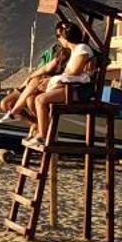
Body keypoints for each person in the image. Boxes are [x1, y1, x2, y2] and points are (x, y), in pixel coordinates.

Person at [26, 20, 98, 148]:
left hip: (77, 90)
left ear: (64, 36)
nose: (58, 39)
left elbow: (73, 73)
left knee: (40, 100)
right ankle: (44, 130)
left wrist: (51, 81)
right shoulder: (75, 50)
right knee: (31, 99)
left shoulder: (82, 49)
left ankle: (43, 135)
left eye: (58, 36)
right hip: (69, 86)